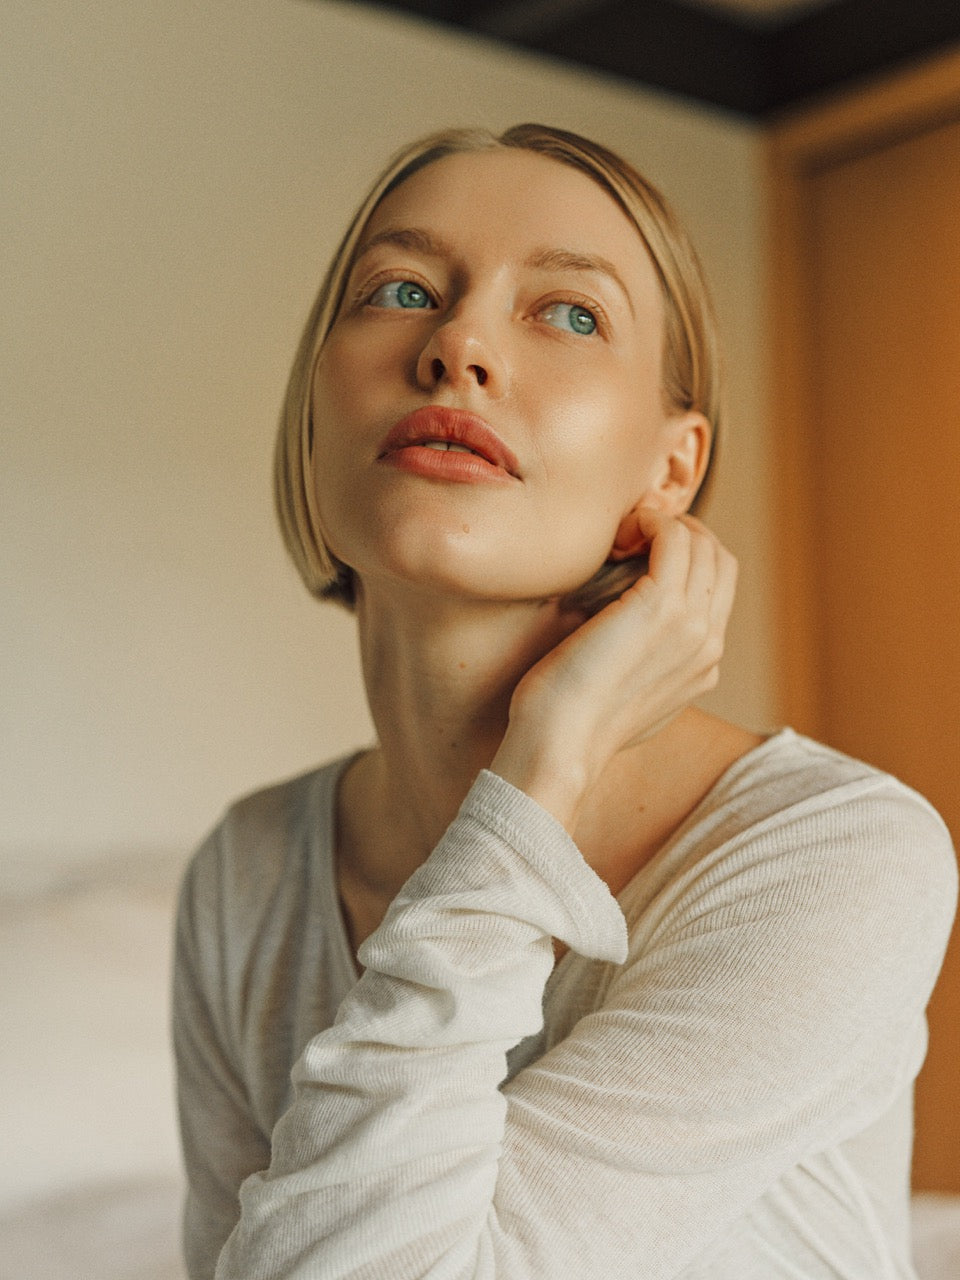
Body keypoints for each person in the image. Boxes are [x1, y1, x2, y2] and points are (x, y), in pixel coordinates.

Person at [173, 124, 957, 1280]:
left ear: (671, 470)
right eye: (401, 290)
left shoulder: (837, 851)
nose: (458, 345)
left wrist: (540, 771)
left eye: (570, 312)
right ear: (313, 413)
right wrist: (540, 772)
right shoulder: (248, 875)